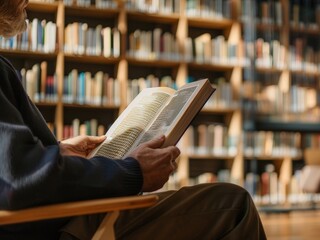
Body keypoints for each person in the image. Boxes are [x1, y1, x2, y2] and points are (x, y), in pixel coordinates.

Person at [0, 0, 267, 239]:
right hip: (53, 227)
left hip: (48, 217)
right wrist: (133, 171)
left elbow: (11, 167)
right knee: (234, 206)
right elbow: (19, 178)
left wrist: (56, 151)